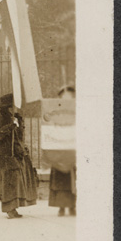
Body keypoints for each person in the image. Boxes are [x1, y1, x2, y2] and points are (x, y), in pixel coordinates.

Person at [0, 93, 38, 219]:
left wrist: (23, 147)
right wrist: (9, 127)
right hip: (5, 155)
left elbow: (20, 137)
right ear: (6, 108)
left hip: (17, 154)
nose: (14, 109)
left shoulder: (18, 118)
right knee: (8, 182)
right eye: (12, 107)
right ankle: (9, 209)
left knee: (16, 181)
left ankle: (14, 207)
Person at [48, 85, 77, 217]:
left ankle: (72, 206)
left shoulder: (77, 111)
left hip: (72, 150)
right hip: (59, 150)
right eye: (64, 97)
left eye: (69, 97)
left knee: (73, 179)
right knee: (59, 180)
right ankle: (61, 206)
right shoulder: (55, 112)